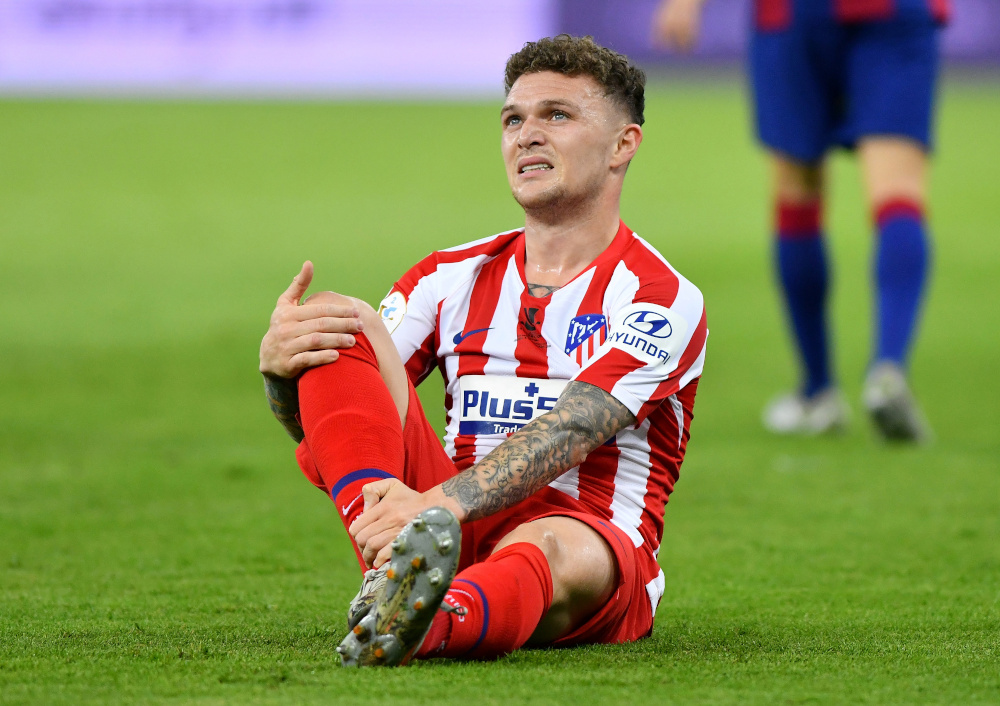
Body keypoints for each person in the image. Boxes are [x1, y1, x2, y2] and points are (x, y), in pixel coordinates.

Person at [258, 35, 708, 667]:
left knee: (549, 544)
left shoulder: (658, 297)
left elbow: (573, 429)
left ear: (622, 144)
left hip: (586, 543)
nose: (528, 136)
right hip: (438, 522)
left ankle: (427, 622)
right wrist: (282, 373)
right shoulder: (447, 278)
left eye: (557, 115)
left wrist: (434, 507)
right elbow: (346, 424)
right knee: (338, 326)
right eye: (513, 120)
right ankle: (393, 575)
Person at [654, 0, 944, 441]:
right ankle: (888, 370)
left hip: (794, 14)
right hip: (893, 10)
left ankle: (818, 392)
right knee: (898, 191)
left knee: (798, 188)